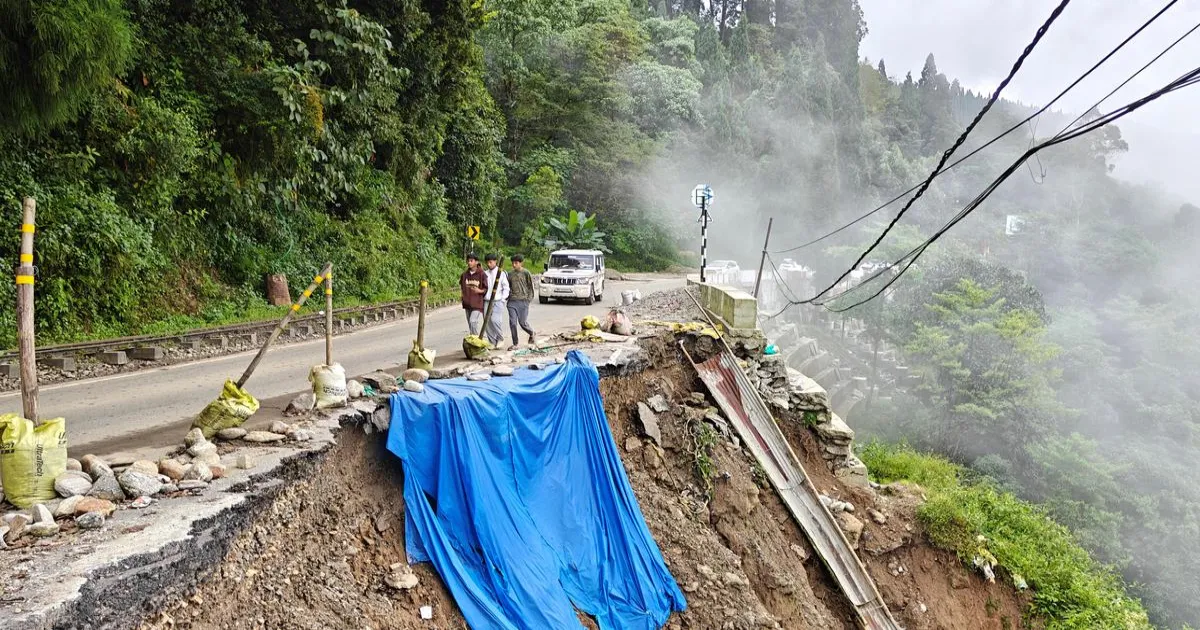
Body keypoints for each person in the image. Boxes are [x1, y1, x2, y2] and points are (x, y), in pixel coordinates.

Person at [506, 254, 537, 347]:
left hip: (523, 301)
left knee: (522, 323)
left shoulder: (526, 273)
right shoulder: (510, 274)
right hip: (512, 301)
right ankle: (515, 343)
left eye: (516, 263)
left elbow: (531, 287)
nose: (514, 265)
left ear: (521, 263)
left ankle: (532, 333)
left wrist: (528, 300)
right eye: (513, 263)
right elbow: (507, 287)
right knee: (512, 323)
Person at [482, 253, 510, 346]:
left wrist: (503, 299)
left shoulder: (501, 273)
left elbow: (506, 288)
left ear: (495, 262)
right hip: (487, 300)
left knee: (495, 320)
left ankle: (500, 338)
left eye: (490, 262)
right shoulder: (485, 273)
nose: (489, 264)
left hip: (498, 300)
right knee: (487, 321)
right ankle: (492, 341)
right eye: (487, 262)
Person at [459, 253, 486, 335]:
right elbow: (461, 285)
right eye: (468, 261)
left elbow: (486, 289)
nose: (469, 263)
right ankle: (473, 340)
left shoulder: (482, 274)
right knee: (470, 324)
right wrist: (462, 295)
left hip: (477, 303)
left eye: (471, 261)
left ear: (476, 262)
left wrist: (479, 291)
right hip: (467, 303)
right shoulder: (464, 275)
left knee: (473, 321)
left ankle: (476, 340)